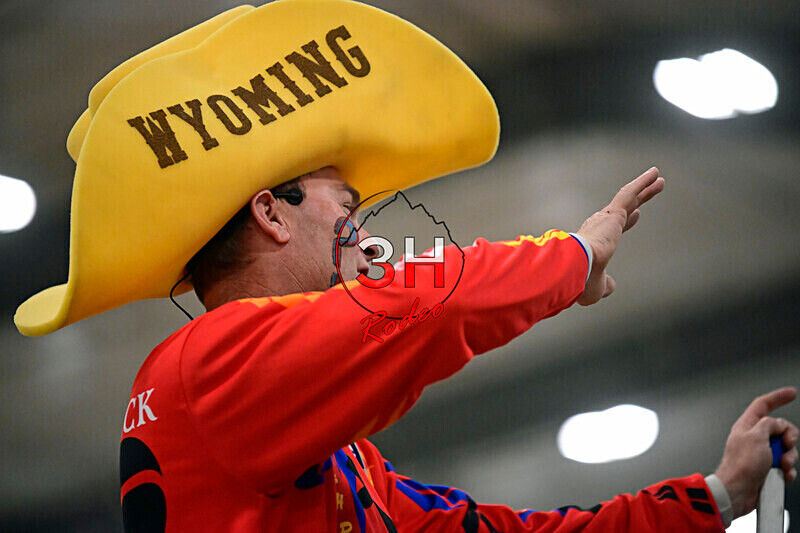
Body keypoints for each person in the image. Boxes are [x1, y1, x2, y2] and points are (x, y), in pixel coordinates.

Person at [12, 2, 796, 532]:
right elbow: (428, 303)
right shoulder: (209, 363)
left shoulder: (314, 440)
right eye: (344, 203)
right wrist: (576, 255)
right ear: (270, 212)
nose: (363, 229)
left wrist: (713, 495)